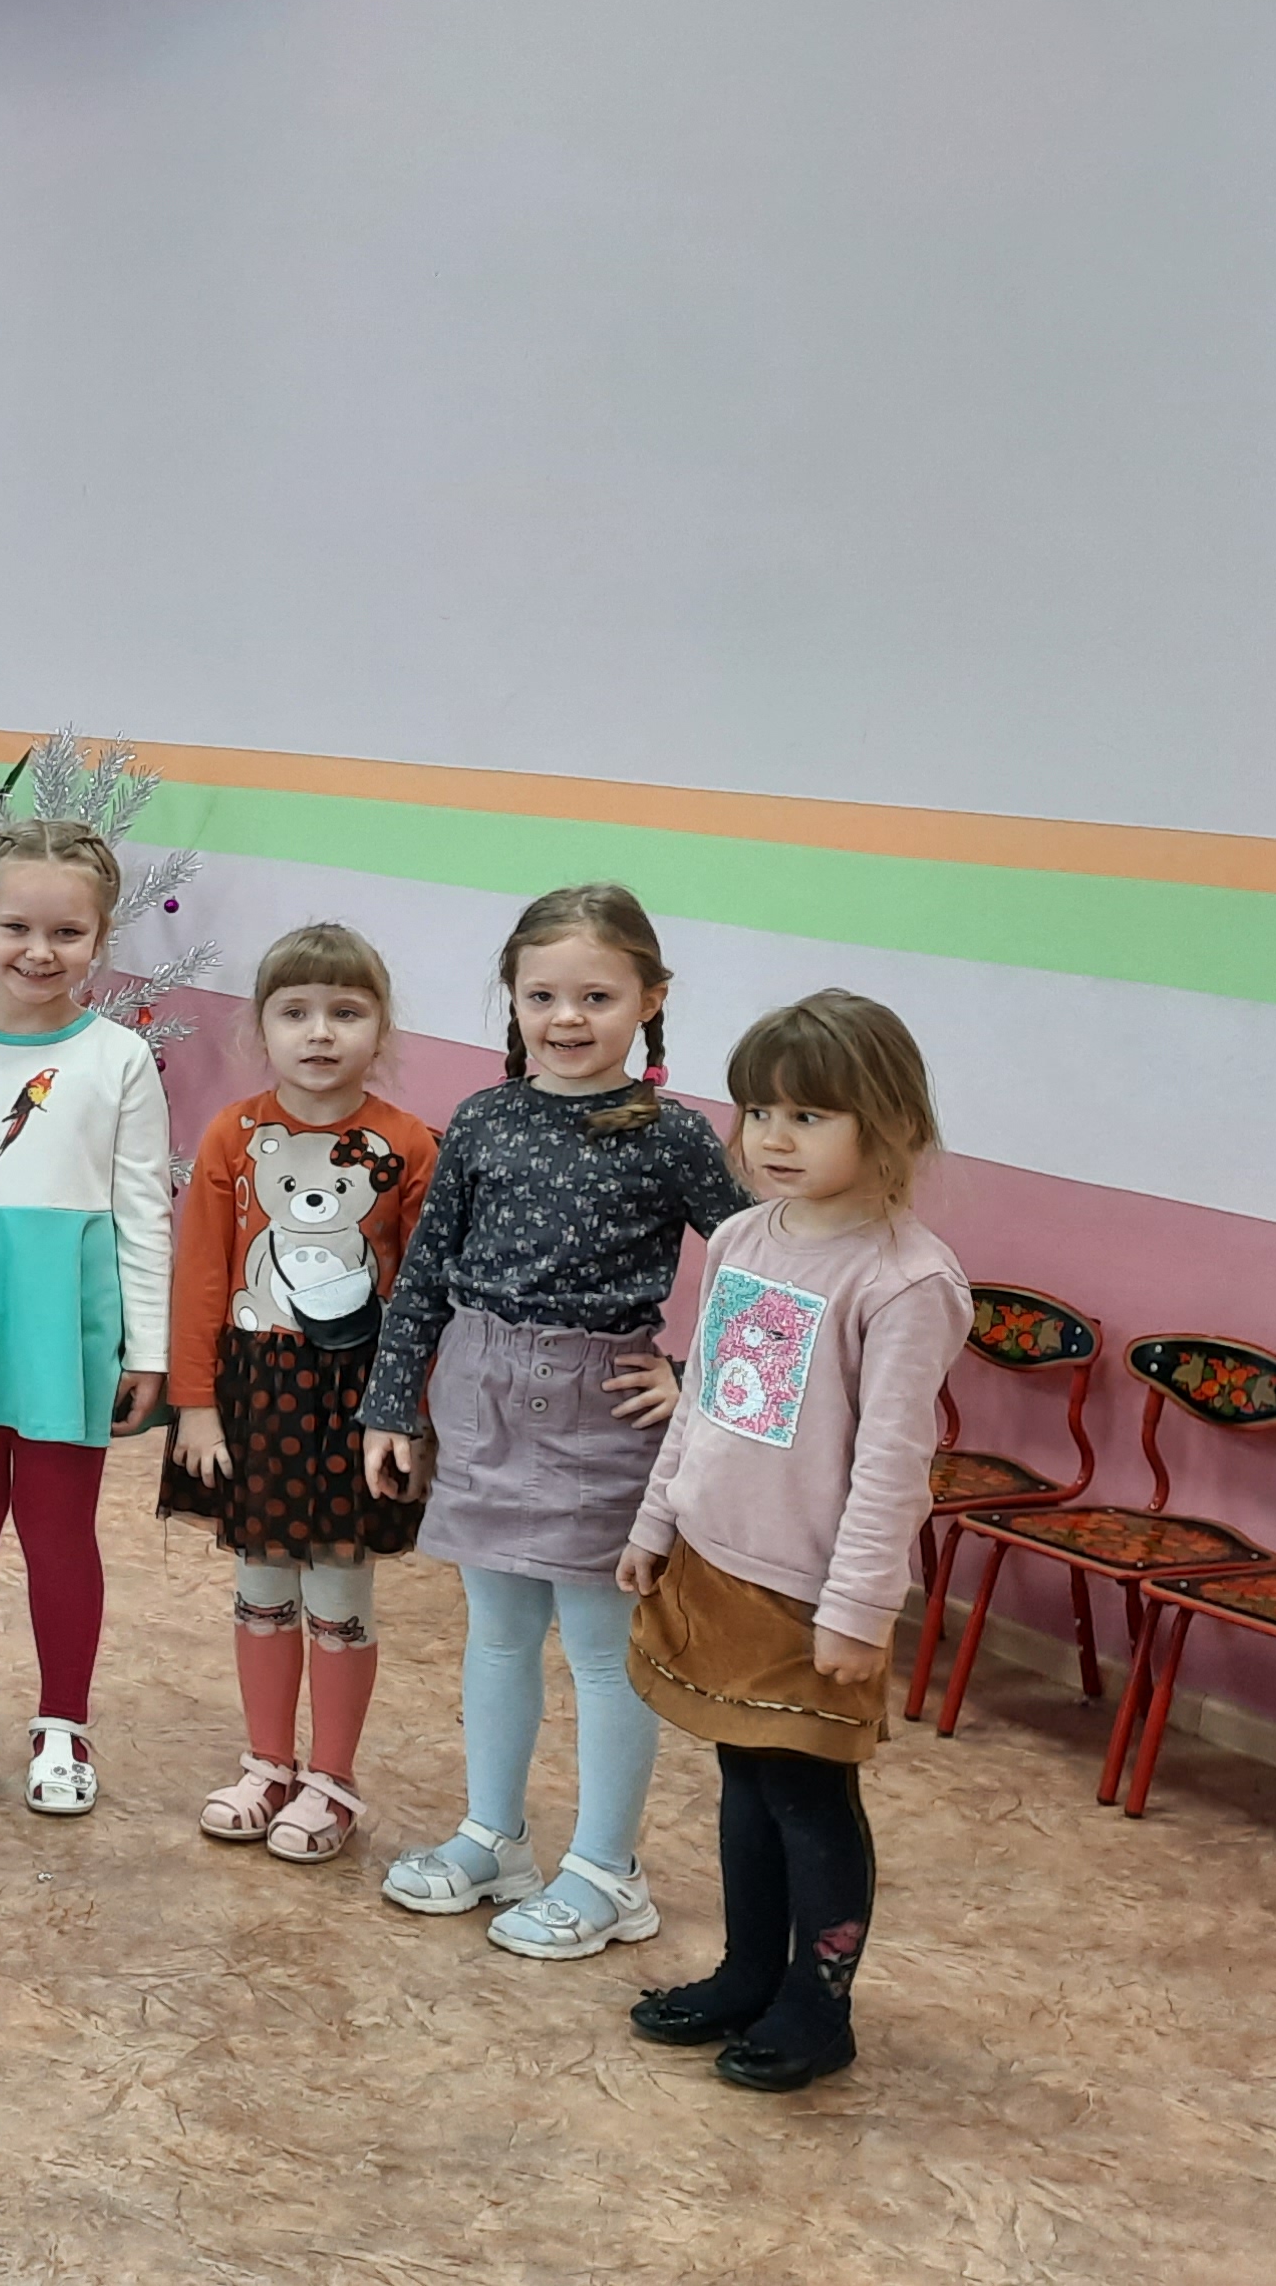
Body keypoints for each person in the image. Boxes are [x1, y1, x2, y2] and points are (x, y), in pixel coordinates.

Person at [358, 884, 746, 1960]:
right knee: (496, 1632)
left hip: (600, 1412)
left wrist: (694, 1376)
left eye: (596, 996)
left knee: (599, 1649)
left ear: (650, 1000)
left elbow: (763, 1271)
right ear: (513, 999)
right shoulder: (484, 1119)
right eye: (541, 996)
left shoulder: (673, 1135)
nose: (566, 1018)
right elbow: (425, 1269)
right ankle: (496, 1839)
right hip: (479, 1396)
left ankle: (609, 1872)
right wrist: (392, 1404)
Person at [619, 992, 964, 2091]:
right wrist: (658, 1521)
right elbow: (706, 1404)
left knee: (806, 1798)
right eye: (760, 1110)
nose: (773, 1136)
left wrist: (857, 1610)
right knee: (741, 1779)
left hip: (812, 1593)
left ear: (889, 1123)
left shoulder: (905, 1282)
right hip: (714, 1560)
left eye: (809, 1115)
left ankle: (818, 2011)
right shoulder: (738, 1238)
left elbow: (893, 1467)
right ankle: (746, 1974)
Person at [0, 820, 175, 1818]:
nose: (39, 951)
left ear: (100, 937)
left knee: (60, 1532)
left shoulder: (120, 1059)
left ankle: (64, 1724)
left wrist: (149, 1348)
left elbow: (144, 1212)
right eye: (16, 926)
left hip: (69, 1328)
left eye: (67, 932)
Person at [158, 923, 439, 1868]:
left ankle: (333, 1779)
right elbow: (203, 1275)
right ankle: (268, 1764)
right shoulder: (233, 1135)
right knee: (261, 1586)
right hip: (255, 1395)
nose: (320, 1033)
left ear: (381, 1028)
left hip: (358, 1404)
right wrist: (197, 1405)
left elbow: (423, 1299)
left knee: (338, 1589)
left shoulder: (409, 1144)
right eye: (296, 1012)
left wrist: (410, 1417)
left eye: (346, 1013)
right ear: (262, 1027)